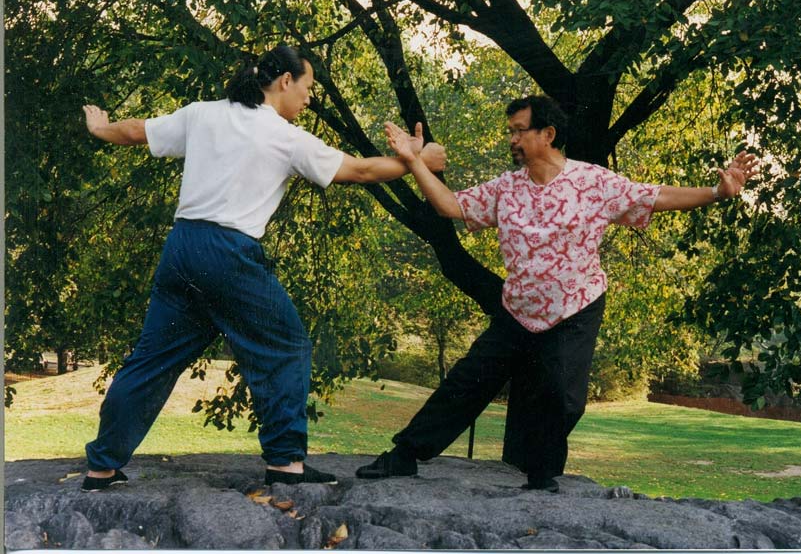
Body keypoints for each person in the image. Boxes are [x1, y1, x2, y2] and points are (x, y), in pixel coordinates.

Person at [79, 44, 446, 492]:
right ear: (285, 82)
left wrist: (100, 128)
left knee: (152, 359)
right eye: (308, 88)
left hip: (182, 248)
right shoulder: (283, 136)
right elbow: (363, 171)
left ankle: (101, 467)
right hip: (228, 252)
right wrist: (416, 162)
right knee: (286, 345)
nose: (309, 99)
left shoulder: (203, 114)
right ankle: (285, 464)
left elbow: (136, 131)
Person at [359, 95, 758, 492]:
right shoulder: (506, 188)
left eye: (519, 131)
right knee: (468, 380)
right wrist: (412, 162)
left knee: (563, 397)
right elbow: (450, 205)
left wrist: (717, 192)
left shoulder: (592, 182)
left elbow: (655, 197)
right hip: (518, 309)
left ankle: (541, 474)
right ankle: (405, 455)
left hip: (575, 307)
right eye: (510, 132)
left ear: (548, 134)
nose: (512, 140)